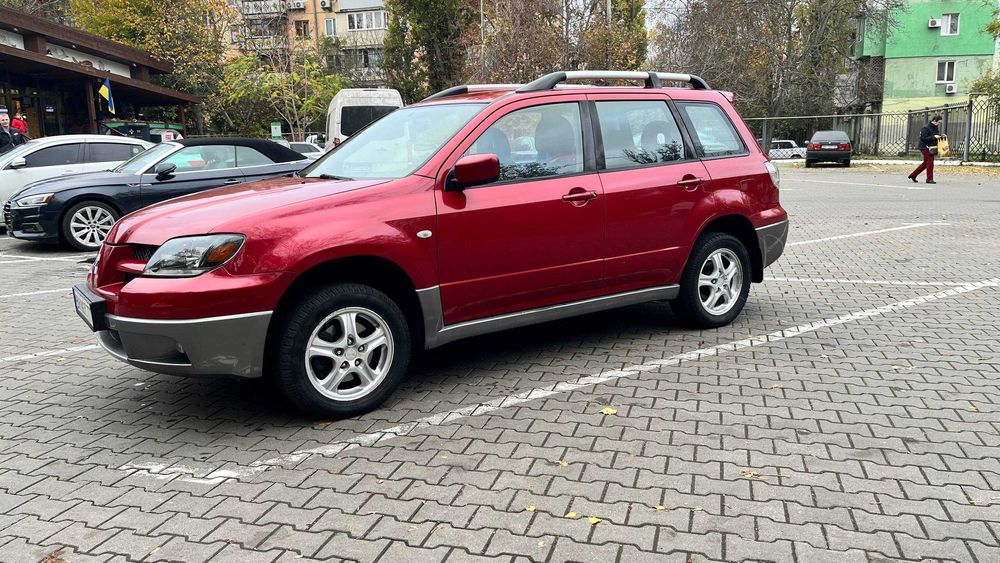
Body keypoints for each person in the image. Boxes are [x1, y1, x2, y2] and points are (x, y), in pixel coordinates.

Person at [909, 115, 945, 185]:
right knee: (930, 162)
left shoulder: (935, 127)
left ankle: (913, 175)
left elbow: (935, 136)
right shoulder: (925, 128)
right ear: (934, 121)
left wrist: (941, 136)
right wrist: (934, 137)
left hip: (931, 147)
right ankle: (929, 179)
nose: (939, 124)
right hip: (924, 147)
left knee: (926, 163)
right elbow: (924, 138)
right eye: (939, 122)